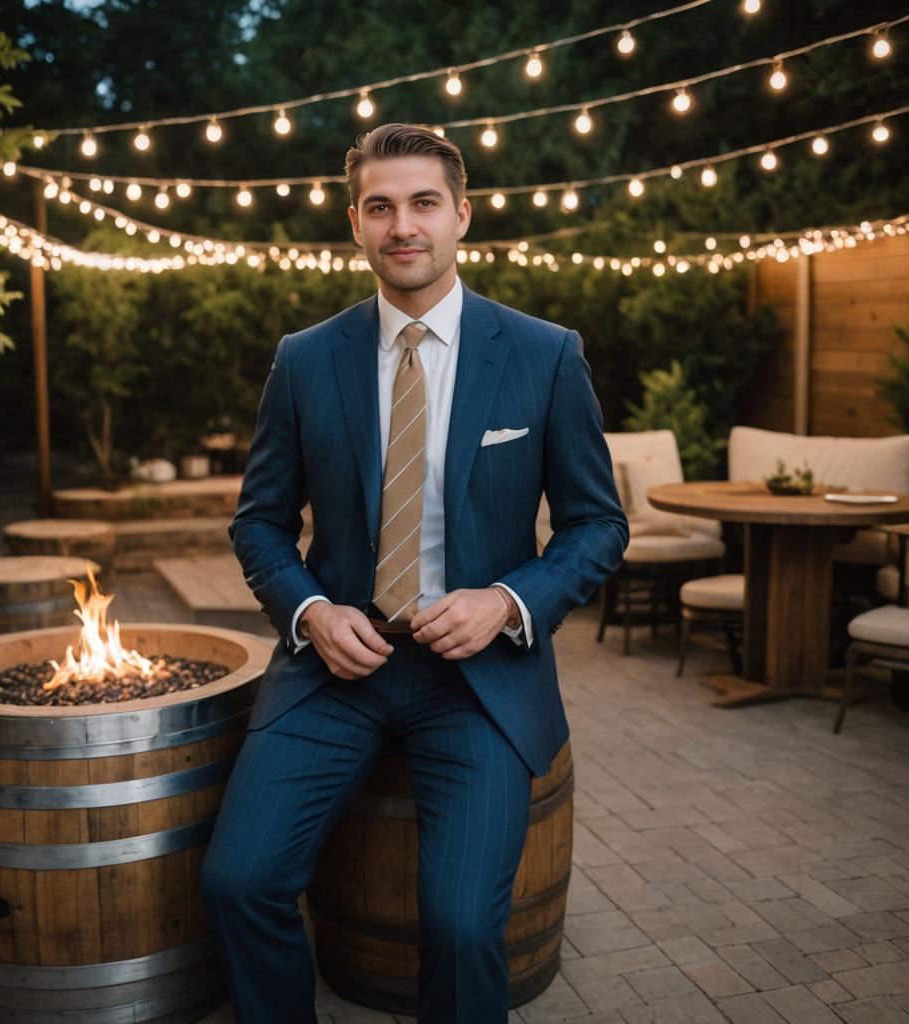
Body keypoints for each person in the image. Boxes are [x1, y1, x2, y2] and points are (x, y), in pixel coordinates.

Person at [200, 122, 628, 1023]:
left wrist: (510, 601)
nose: (404, 225)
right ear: (355, 223)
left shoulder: (546, 355)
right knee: (239, 882)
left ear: (462, 216)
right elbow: (260, 524)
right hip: (335, 670)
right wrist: (311, 611)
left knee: (464, 926)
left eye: (424, 203)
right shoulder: (305, 359)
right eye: (381, 206)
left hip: (478, 680)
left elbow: (597, 525)